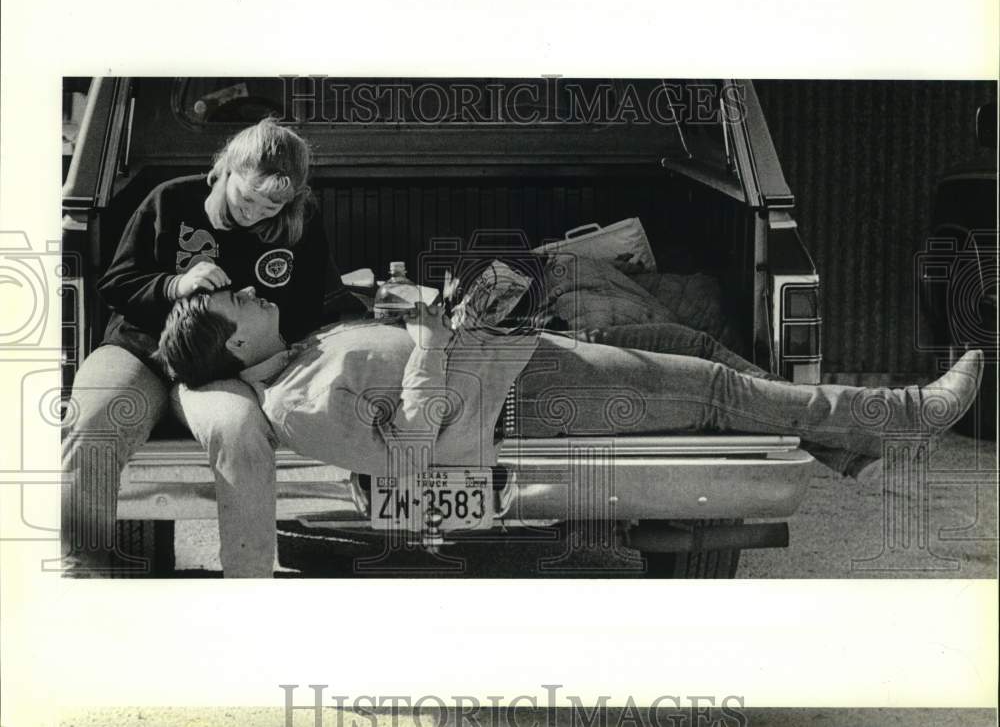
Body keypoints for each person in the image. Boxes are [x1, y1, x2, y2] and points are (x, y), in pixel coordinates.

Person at [156, 287, 984, 562]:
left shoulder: (302, 349)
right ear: (234, 340)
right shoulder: (294, 404)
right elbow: (407, 460)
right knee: (720, 394)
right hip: (531, 397)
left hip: (526, 361)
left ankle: (858, 443)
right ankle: (907, 415)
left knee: (710, 378)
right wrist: (431, 344)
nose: (258, 293)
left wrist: (426, 315)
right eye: (242, 300)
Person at [62, 117, 352, 577]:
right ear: (224, 170)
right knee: (94, 418)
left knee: (240, 430)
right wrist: (175, 283)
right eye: (248, 198)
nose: (255, 213)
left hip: (224, 370)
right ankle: (82, 569)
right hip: (142, 352)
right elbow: (116, 283)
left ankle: (248, 580)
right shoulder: (171, 199)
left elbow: (316, 305)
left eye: (272, 206)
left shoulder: (299, 223)